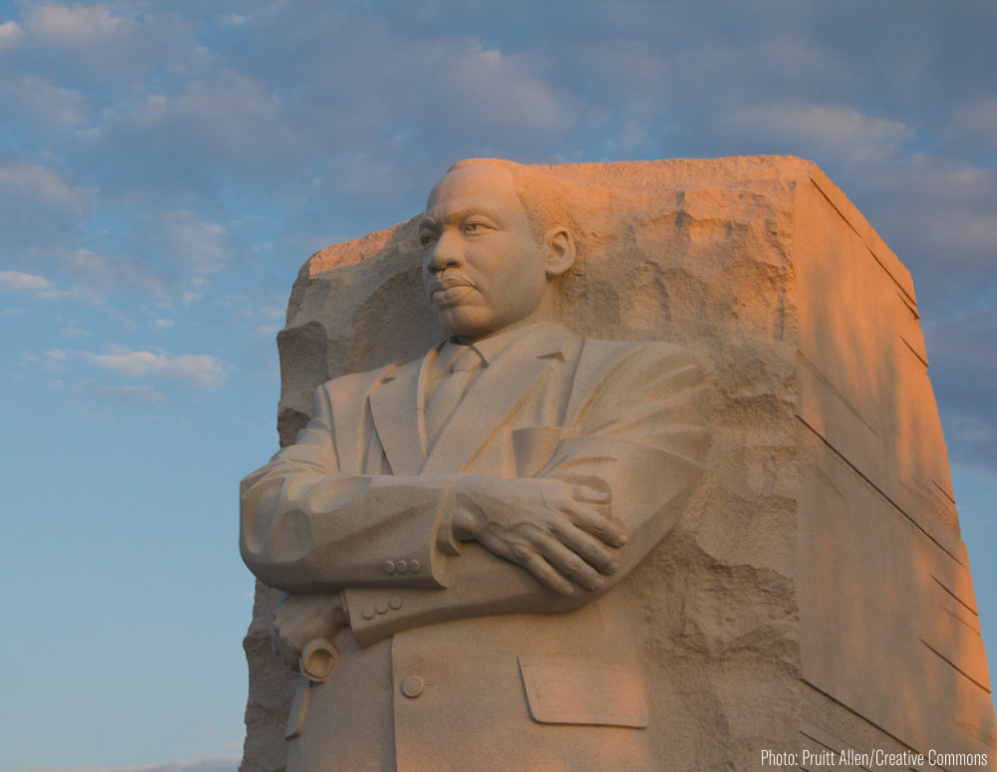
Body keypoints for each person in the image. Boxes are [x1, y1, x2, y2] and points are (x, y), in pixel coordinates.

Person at [240, 158, 710, 772]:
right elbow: (270, 522)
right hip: (345, 744)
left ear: (557, 251)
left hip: (538, 745)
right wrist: (468, 504)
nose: (441, 258)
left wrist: (347, 605)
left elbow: (583, 551)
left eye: (476, 228)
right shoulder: (351, 401)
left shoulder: (635, 379)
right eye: (430, 238)